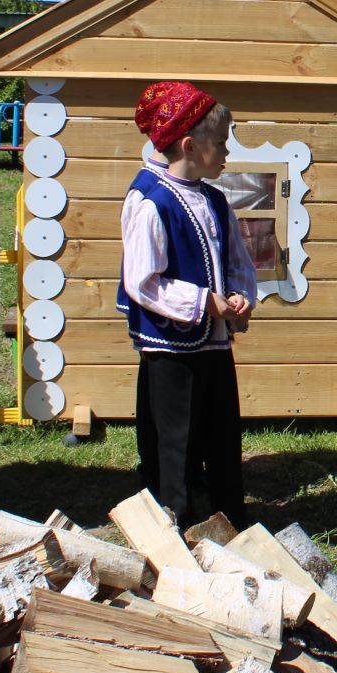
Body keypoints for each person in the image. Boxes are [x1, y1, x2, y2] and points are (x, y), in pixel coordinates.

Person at [117, 81, 259, 528]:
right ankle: (172, 520)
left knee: (220, 435)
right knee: (173, 440)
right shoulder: (150, 202)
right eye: (221, 143)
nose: (227, 152)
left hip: (213, 346)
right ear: (189, 145)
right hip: (169, 349)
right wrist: (204, 302)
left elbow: (236, 261)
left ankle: (226, 518)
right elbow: (143, 281)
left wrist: (239, 296)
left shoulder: (215, 201)